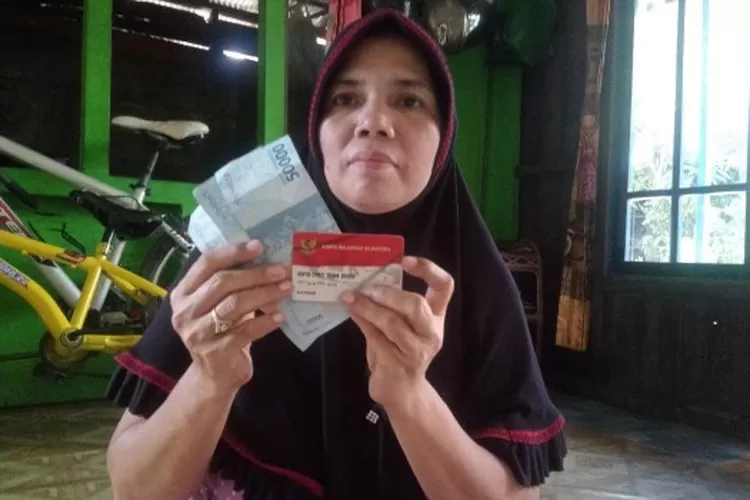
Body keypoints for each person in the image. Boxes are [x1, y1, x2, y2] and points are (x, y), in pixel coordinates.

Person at [105, 8, 566, 500]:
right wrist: (209, 379)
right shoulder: (236, 262)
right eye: (345, 99)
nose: (373, 122)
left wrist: (409, 395)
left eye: (409, 100)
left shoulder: (477, 286)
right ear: (316, 131)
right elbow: (135, 491)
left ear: (444, 138)